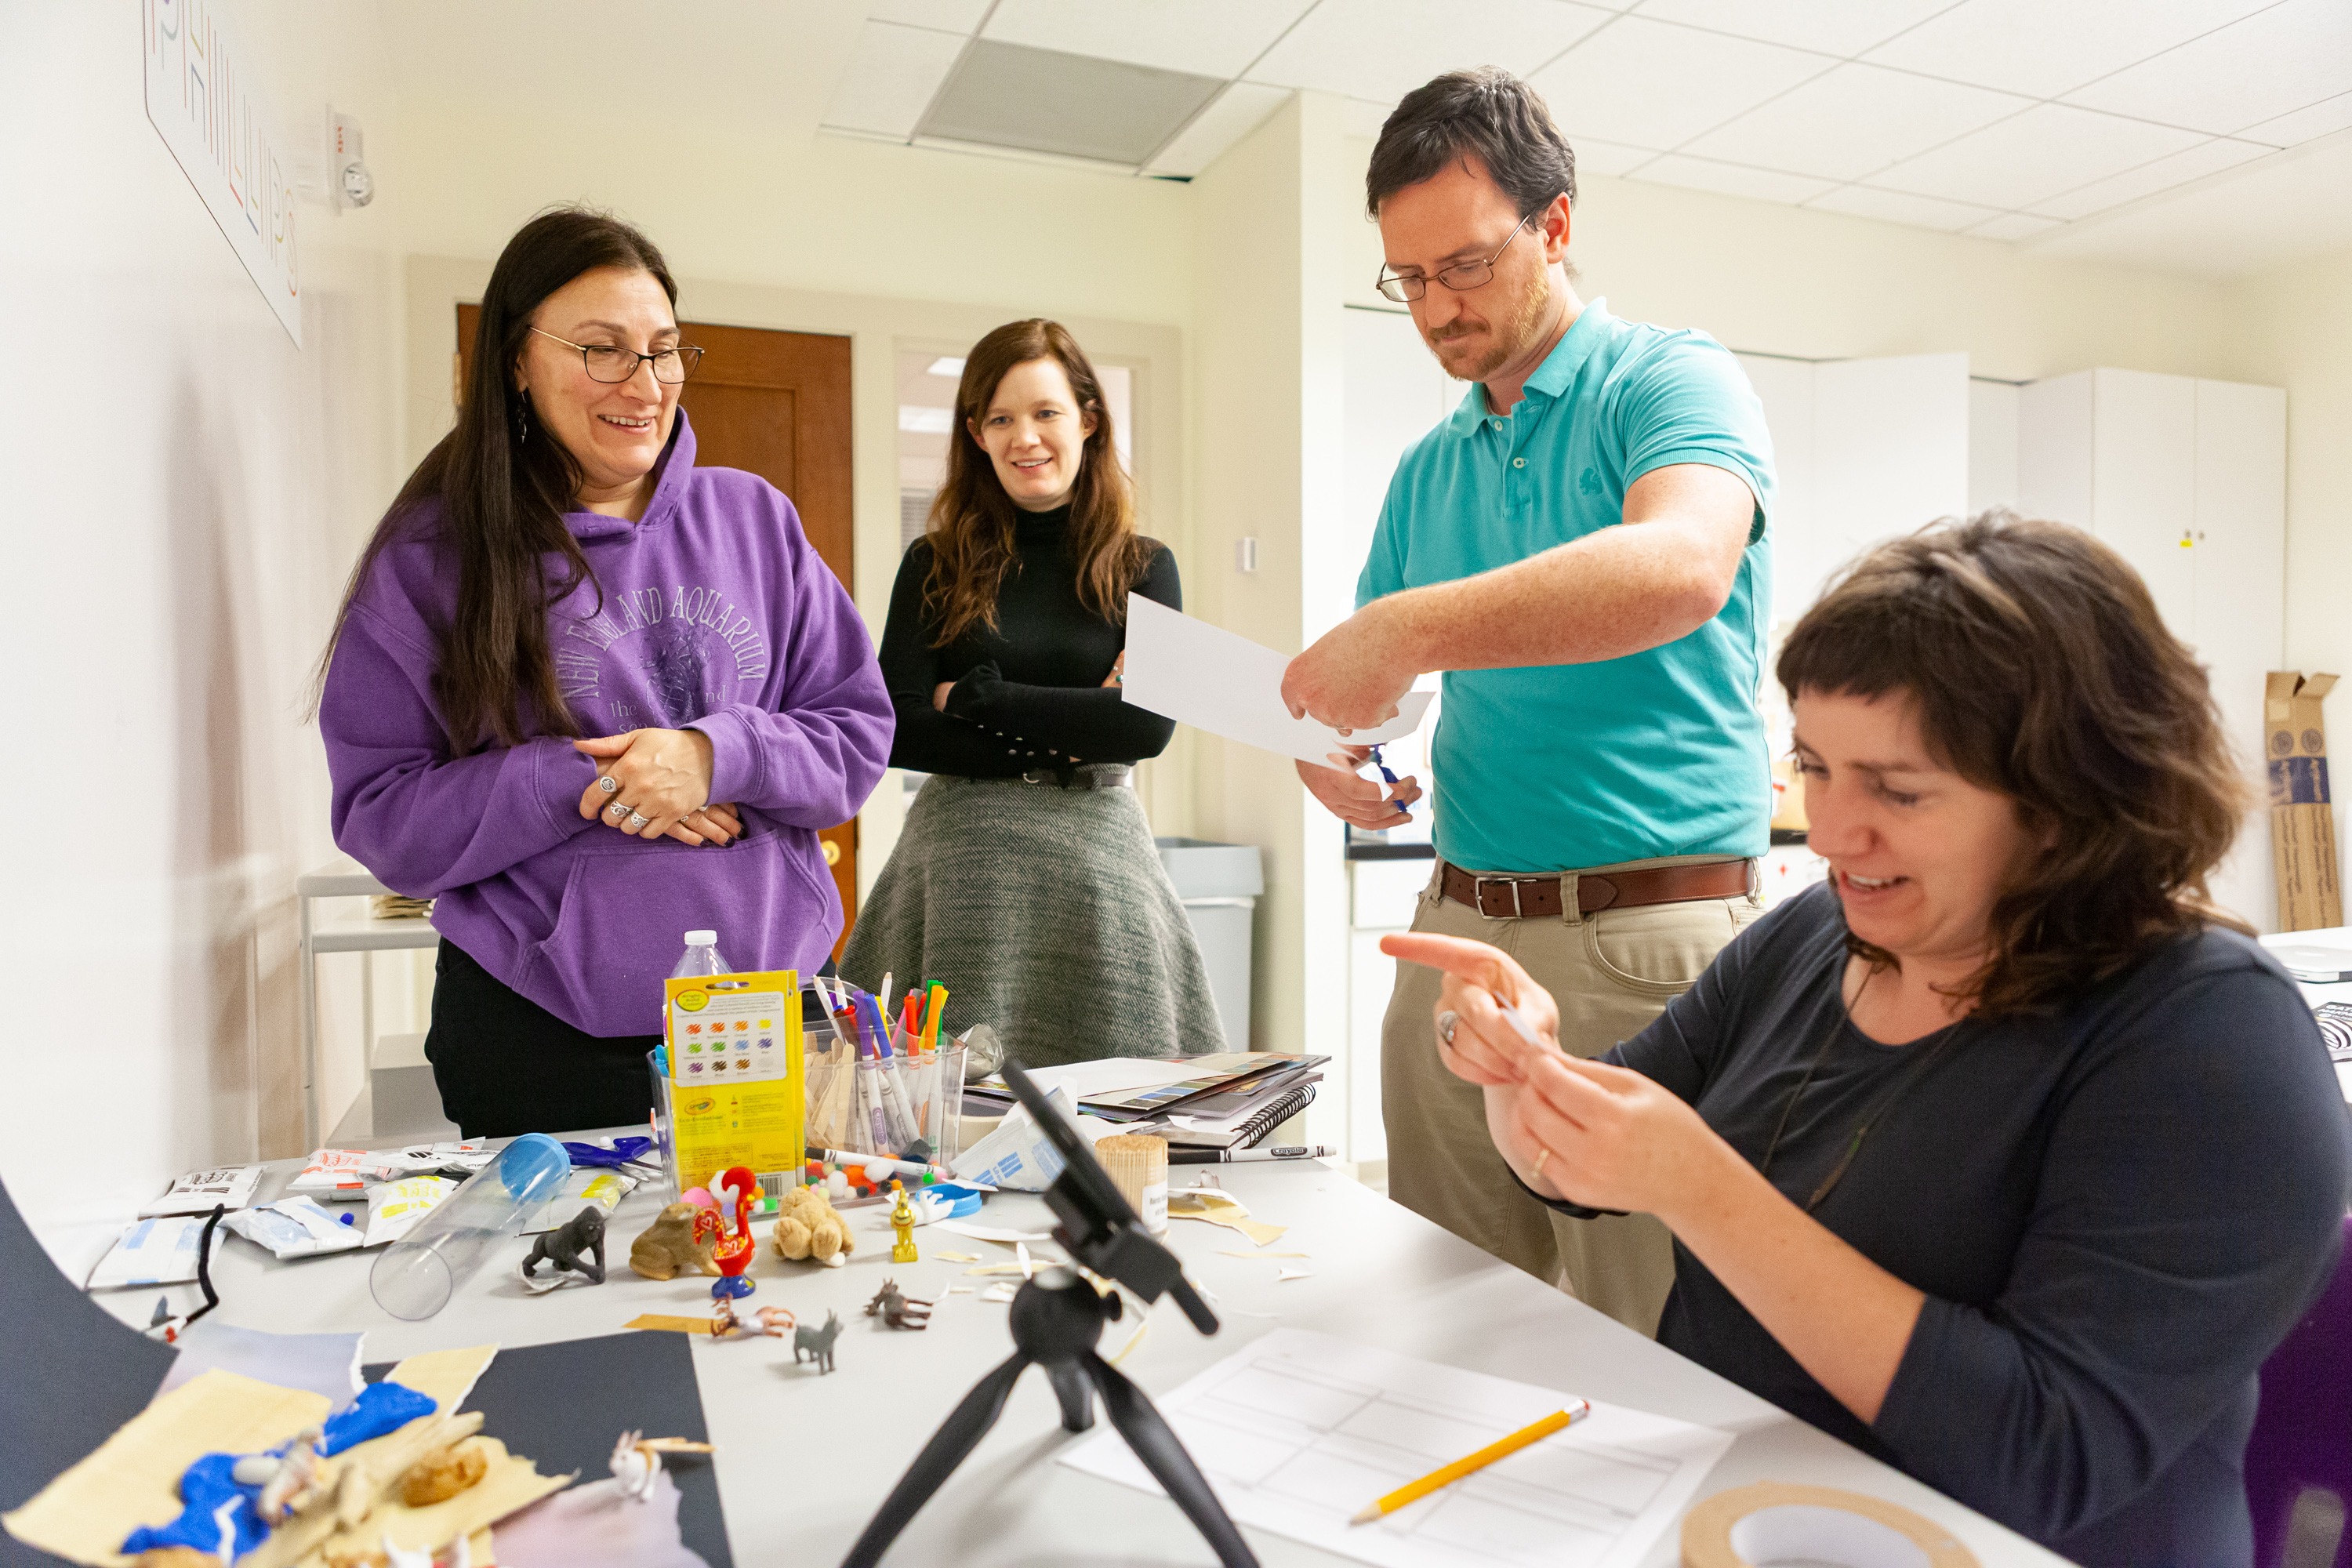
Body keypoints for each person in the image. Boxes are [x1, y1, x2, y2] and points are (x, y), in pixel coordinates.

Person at [1393, 513, 2350, 1566]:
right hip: (1738, 1519)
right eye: (1814, 767)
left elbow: (2045, 1453)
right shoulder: (1816, 933)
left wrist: (1700, 1187)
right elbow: (1589, 1166)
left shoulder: (2209, 1040)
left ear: (2068, 797)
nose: (1831, 831)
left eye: (1897, 789)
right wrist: (1520, 1068)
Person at [1279, 67, 1775, 1331]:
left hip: (1648, 947)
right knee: (1444, 1330)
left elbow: (1681, 568)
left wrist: (1407, 626)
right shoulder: (1426, 470)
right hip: (1460, 934)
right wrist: (1342, 759)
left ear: (1554, 226)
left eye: (1465, 265)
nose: (1436, 308)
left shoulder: (1671, 383)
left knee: (1656, 1346)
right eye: (1407, 279)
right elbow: (1376, 705)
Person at [317, 207, 891, 1138]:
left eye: (663, 350)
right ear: (517, 359)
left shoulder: (756, 519)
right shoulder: (431, 557)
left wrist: (713, 756)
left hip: (767, 1008)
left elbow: (854, 736)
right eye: (603, 349)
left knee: (777, 1234)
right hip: (535, 1027)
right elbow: (383, 816)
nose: (645, 383)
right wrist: (590, 781)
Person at [843, 321, 1220, 1068]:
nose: (1026, 438)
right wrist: (1079, 725)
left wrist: (978, 697)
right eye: (1001, 418)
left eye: (1046, 412)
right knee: (945, 1108)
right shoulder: (933, 563)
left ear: (1087, 419)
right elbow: (897, 730)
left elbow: (1145, 729)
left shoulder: (1146, 568)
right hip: (962, 870)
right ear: (976, 435)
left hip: (1098, 870)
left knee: (1120, 1104)